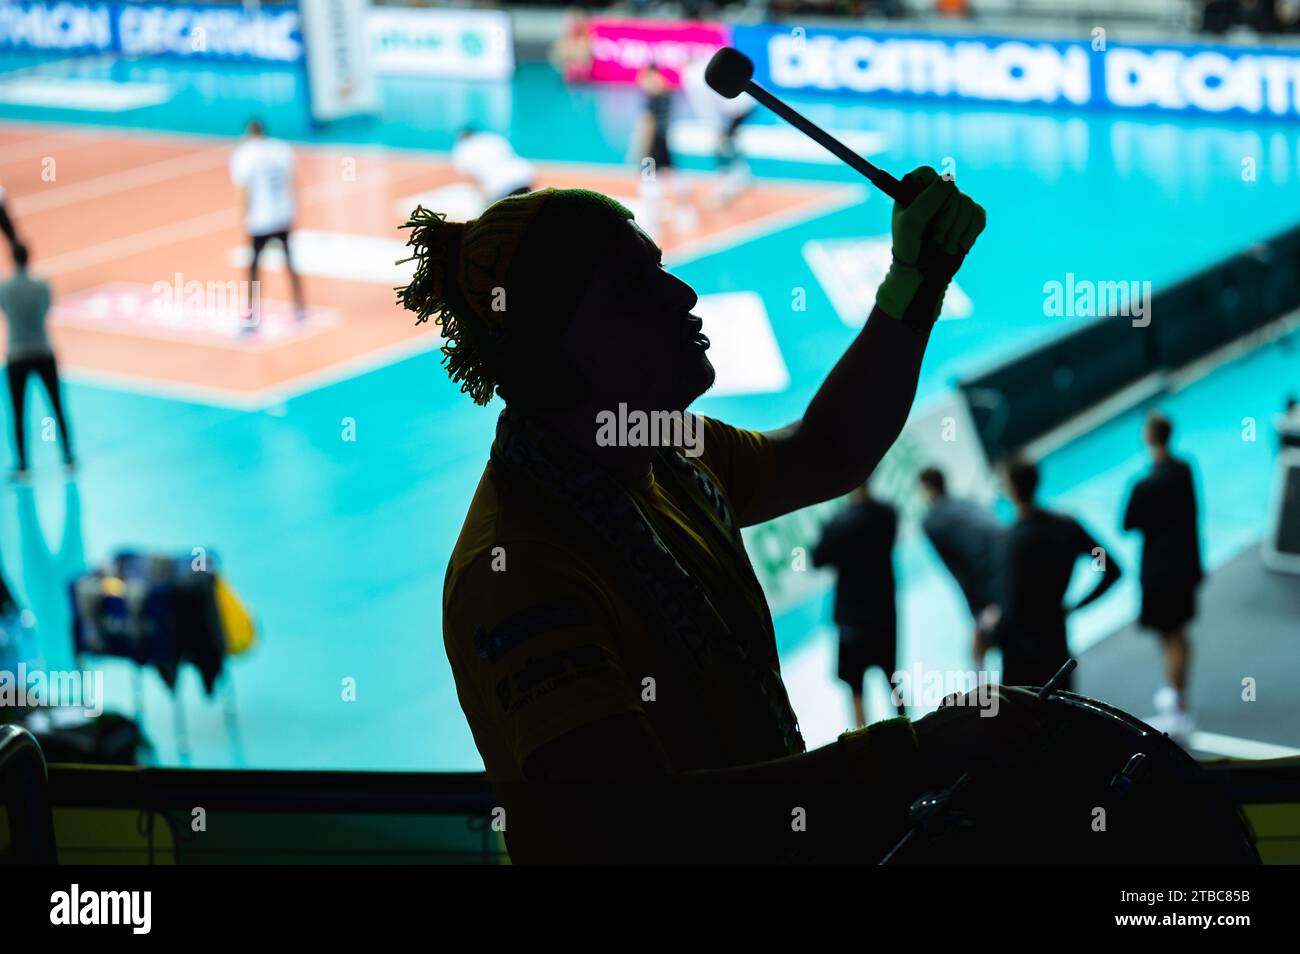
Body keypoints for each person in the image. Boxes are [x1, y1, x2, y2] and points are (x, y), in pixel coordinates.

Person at [393, 174, 1060, 864]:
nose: (682, 295)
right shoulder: (517, 572)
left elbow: (826, 450)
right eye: (635, 287)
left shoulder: (667, 449)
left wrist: (916, 282)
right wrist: (908, 755)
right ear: (561, 345)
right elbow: (636, 828)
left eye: (660, 269)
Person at [981, 458, 1121, 691]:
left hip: (1021, 655)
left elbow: (1011, 609)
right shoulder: (1067, 526)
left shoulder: (1011, 542)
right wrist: (1076, 605)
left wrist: (990, 635)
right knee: (1064, 708)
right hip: (1056, 640)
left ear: (1011, 490)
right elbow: (1110, 567)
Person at [1121, 412, 1203, 739]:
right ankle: (1176, 697)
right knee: (1177, 634)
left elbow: (1127, 523)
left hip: (1160, 572)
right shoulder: (1184, 470)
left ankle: (1178, 707)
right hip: (1184, 565)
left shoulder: (1144, 485)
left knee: (1172, 636)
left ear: (1149, 436)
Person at [811, 484, 904, 727]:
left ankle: (866, 739)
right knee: (893, 676)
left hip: (851, 618)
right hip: (884, 610)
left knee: (855, 687)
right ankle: (909, 726)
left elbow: (817, 559)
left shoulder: (838, 523)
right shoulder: (887, 513)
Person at [0, 243, 74, 479]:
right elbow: (46, 308)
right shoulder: (42, 284)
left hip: (17, 355)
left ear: (13, 259)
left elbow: (5, 310)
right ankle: (68, 457)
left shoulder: (5, 288)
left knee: (18, 411)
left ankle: (23, 465)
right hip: (43, 351)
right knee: (56, 406)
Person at [229, 118, 304, 328]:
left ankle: (252, 313)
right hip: (283, 214)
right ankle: (299, 305)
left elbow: (243, 189)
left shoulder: (244, 155)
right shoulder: (281, 150)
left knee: (254, 267)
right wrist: (294, 209)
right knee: (289, 260)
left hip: (261, 219)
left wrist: (242, 216)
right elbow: (292, 181)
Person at [918, 466, 1004, 642]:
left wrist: (979, 609)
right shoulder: (968, 502)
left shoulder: (931, 523)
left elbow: (958, 569)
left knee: (984, 637)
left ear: (928, 488)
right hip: (1008, 569)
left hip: (988, 590)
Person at [680, 53, 756, 208]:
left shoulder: (691, 77)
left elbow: (705, 105)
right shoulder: (702, 67)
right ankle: (737, 178)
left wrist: (716, 129)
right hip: (744, 104)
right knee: (728, 143)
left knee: (723, 145)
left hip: (737, 107)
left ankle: (730, 182)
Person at [628, 63, 694, 239]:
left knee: (649, 177)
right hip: (663, 140)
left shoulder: (653, 98)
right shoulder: (666, 93)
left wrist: (641, 149)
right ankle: (684, 207)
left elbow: (648, 124)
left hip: (654, 144)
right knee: (669, 170)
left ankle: (651, 215)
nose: (642, 82)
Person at [451, 128, 535, 206]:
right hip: (522, 178)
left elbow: (471, 177)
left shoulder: (463, 149)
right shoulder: (492, 138)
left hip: (499, 189)